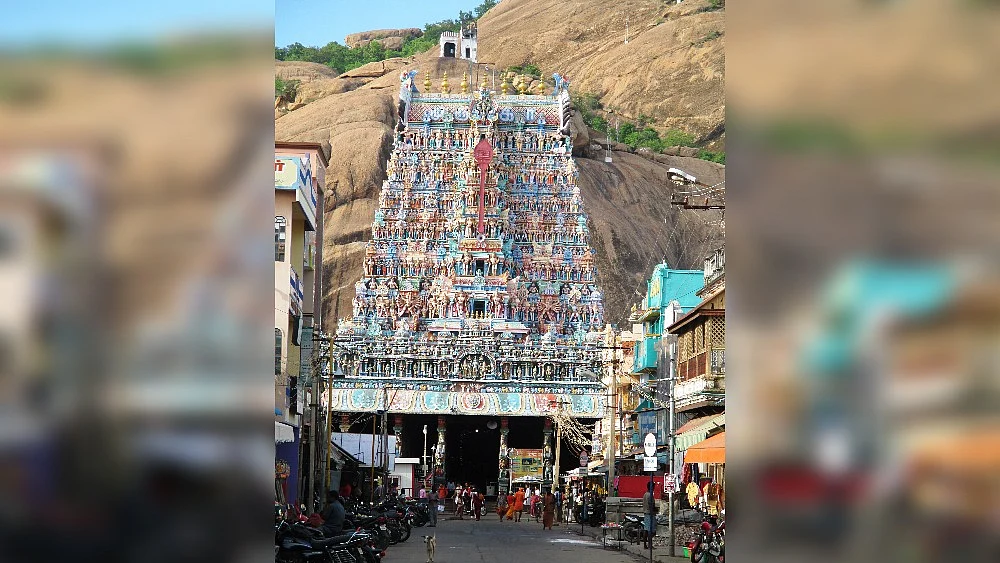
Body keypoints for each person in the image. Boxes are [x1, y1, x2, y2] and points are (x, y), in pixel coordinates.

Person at [643, 481, 657, 550]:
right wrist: (655, 510)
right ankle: (649, 545)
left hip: (646, 513)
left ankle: (645, 544)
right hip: (650, 513)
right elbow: (651, 505)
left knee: (646, 529)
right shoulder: (650, 495)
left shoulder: (645, 494)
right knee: (651, 530)